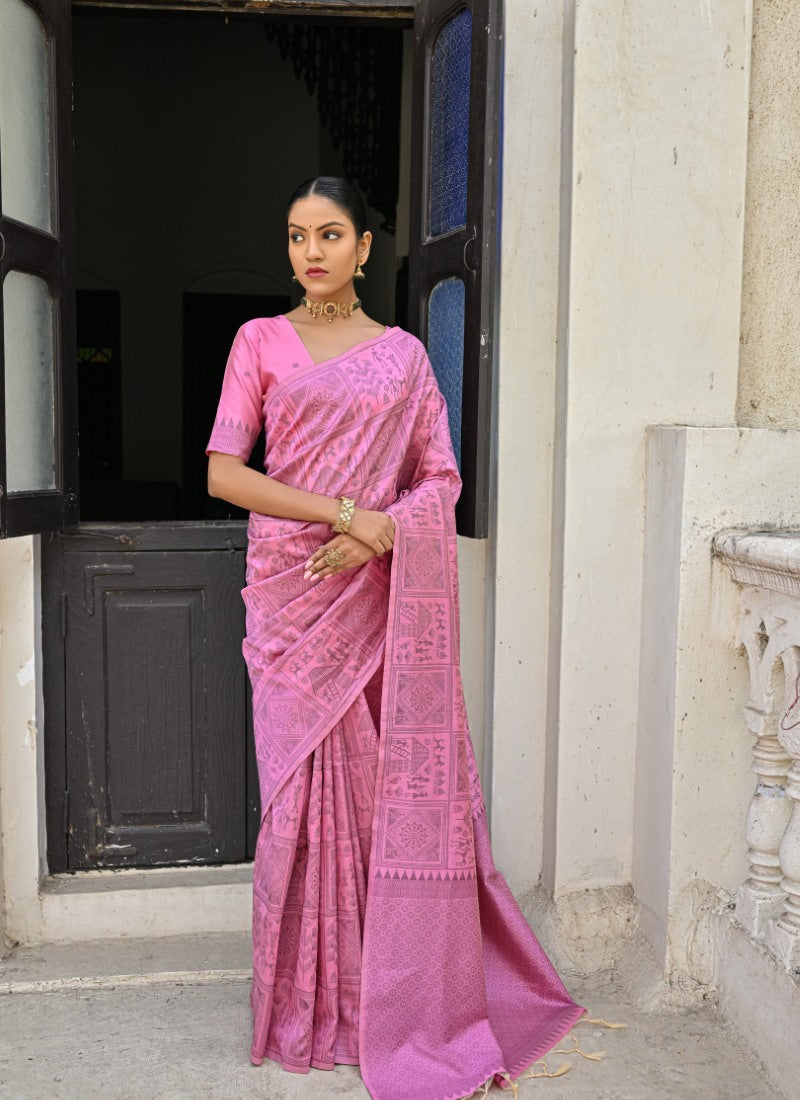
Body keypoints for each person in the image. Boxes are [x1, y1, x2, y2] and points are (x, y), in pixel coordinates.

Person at [205, 176, 585, 1100]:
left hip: (377, 601)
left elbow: (438, 477)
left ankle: (387, 999)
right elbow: (224, 473)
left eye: (330, 234)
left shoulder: (406, 360)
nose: (312, 253)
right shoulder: (258, 341)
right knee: (298, 799)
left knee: (381, 802)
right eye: (296, 236)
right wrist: (346, 514)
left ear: (366, 246)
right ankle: (305, 1008)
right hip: (292, 600)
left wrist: (385, 529)